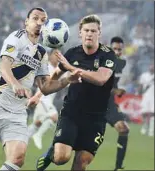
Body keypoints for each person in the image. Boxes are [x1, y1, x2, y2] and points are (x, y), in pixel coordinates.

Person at [0, 8, 81, 170]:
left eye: (43, 20)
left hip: (18, 112)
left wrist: (67, 80)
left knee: (17, 159)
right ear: (26, 21)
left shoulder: (41, 53)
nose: (39, 23)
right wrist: (15, 84)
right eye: (35, 18)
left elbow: (45, 87)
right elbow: (4, 64)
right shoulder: (17, 37)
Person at [35, 14, 117, 171]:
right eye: (86, 30)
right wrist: (38, 94)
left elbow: (101, 79)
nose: (89, 34)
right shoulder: (72, 54)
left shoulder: (108, 54)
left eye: (93, 31)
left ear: (99, 33)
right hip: (71, 113)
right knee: (61, 158)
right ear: (80, 33)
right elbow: (52, 80)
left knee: (81, 162)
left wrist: (72, 68)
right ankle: (51, 153)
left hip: (96, 118)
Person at [106, 37, 130, 171]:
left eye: (119, 49)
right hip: (93, 104)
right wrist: (116, 90)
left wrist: (119, 90)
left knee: (123, 129)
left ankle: (118, 167)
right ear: (109, 48)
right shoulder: (102, 62)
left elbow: (116, 85)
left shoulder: (122, 64)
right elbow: (99, 85)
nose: (116, 52)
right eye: (114, 49)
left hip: (109, 104)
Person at [28, 50, 59, 149]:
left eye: (58, 55)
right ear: (50, 56)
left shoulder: (58, 69)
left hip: (48, 100)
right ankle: (38, 135)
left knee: (37, 123)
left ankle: (21, 137)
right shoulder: (46, 67)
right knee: (54, 117)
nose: (56, 57)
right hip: (43, 98)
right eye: (55, 55)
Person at [138, 64, 154, 137]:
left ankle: (151, 130)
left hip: (153, 96)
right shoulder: (144, 75)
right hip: (145, 96)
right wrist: (139, 93)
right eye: (151, 66)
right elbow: (141, 85)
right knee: (144, 113)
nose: (152, 67)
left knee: (152, 113)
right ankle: (144, 126)